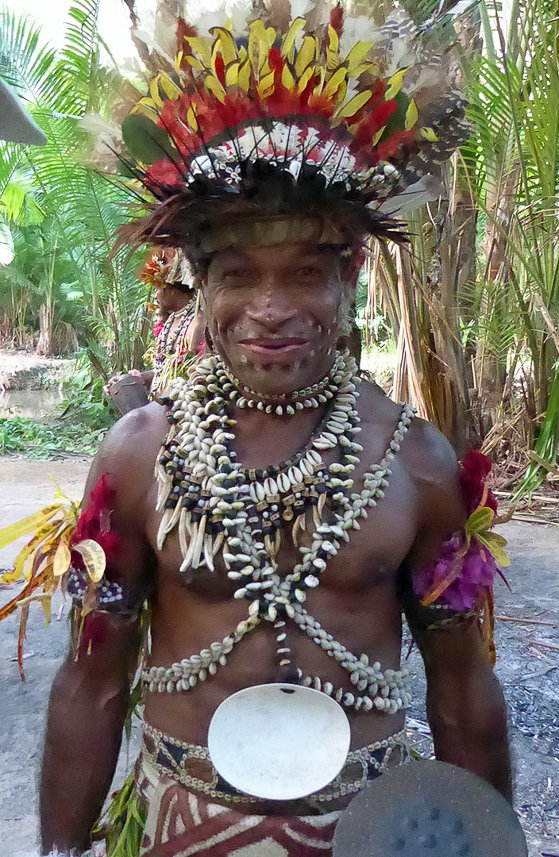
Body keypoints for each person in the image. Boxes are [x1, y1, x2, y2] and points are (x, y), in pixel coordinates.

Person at [39, 4, 511, 855]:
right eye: (238, 275)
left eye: (303, 273)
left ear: (348, 280)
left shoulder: (416, 460)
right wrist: (60, 849)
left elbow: (463, 692)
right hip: (175, 821)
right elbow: (91, 677)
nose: (270, 308)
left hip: (369, 830)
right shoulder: (142, 452)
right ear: (197, 288)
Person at [105, 248, 205, 404]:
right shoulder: (171, 321)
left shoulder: (196, 324)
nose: (154, 295)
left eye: (157, 288)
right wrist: (135, 378)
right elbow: (162, 371)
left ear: (171, 290)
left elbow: (194, 377)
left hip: (183, 409)